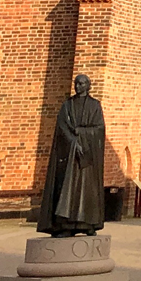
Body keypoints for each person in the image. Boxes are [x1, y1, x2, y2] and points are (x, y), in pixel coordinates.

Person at [37, 73, 107, 236]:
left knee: (86, 191)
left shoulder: (95, 105)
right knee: (66, 191)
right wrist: (73, 142)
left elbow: (99, 128)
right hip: (69, 156)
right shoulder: (67, 106)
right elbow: (62, 126)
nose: (78, 86)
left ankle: (86, 224)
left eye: (82, 84)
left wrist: (81, 133)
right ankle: (66, 225)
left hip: (87, 157)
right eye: (76, 83)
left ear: (88, 86)